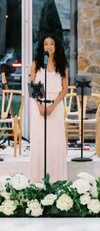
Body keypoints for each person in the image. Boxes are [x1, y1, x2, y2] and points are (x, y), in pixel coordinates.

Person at [29, 34, 68, 182]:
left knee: (54, 142)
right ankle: (38, 178)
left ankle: (56, 178)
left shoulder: (62, 65)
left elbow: (64, 89)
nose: (49, 47)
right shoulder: (36, 64)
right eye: (46, 44)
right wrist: (40, 105)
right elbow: (32, 86)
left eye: (52, 44)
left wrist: (52, 106)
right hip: (38, 106)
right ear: (42, 47)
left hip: (55, 106)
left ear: (56, 47)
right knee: (40, 141)